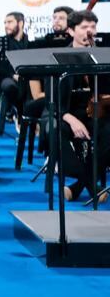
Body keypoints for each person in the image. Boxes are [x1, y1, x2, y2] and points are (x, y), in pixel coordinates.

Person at [53, 11, 110, 203]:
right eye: (85, 27)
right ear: (71, 30)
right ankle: (92, 185)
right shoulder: (58, 57)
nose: (90, 31)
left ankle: (78, 186)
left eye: (93, 27)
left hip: (97, 111)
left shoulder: (103, 55)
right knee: (56, 130)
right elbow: (53, 102)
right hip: (67, 114)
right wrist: (70, 119)